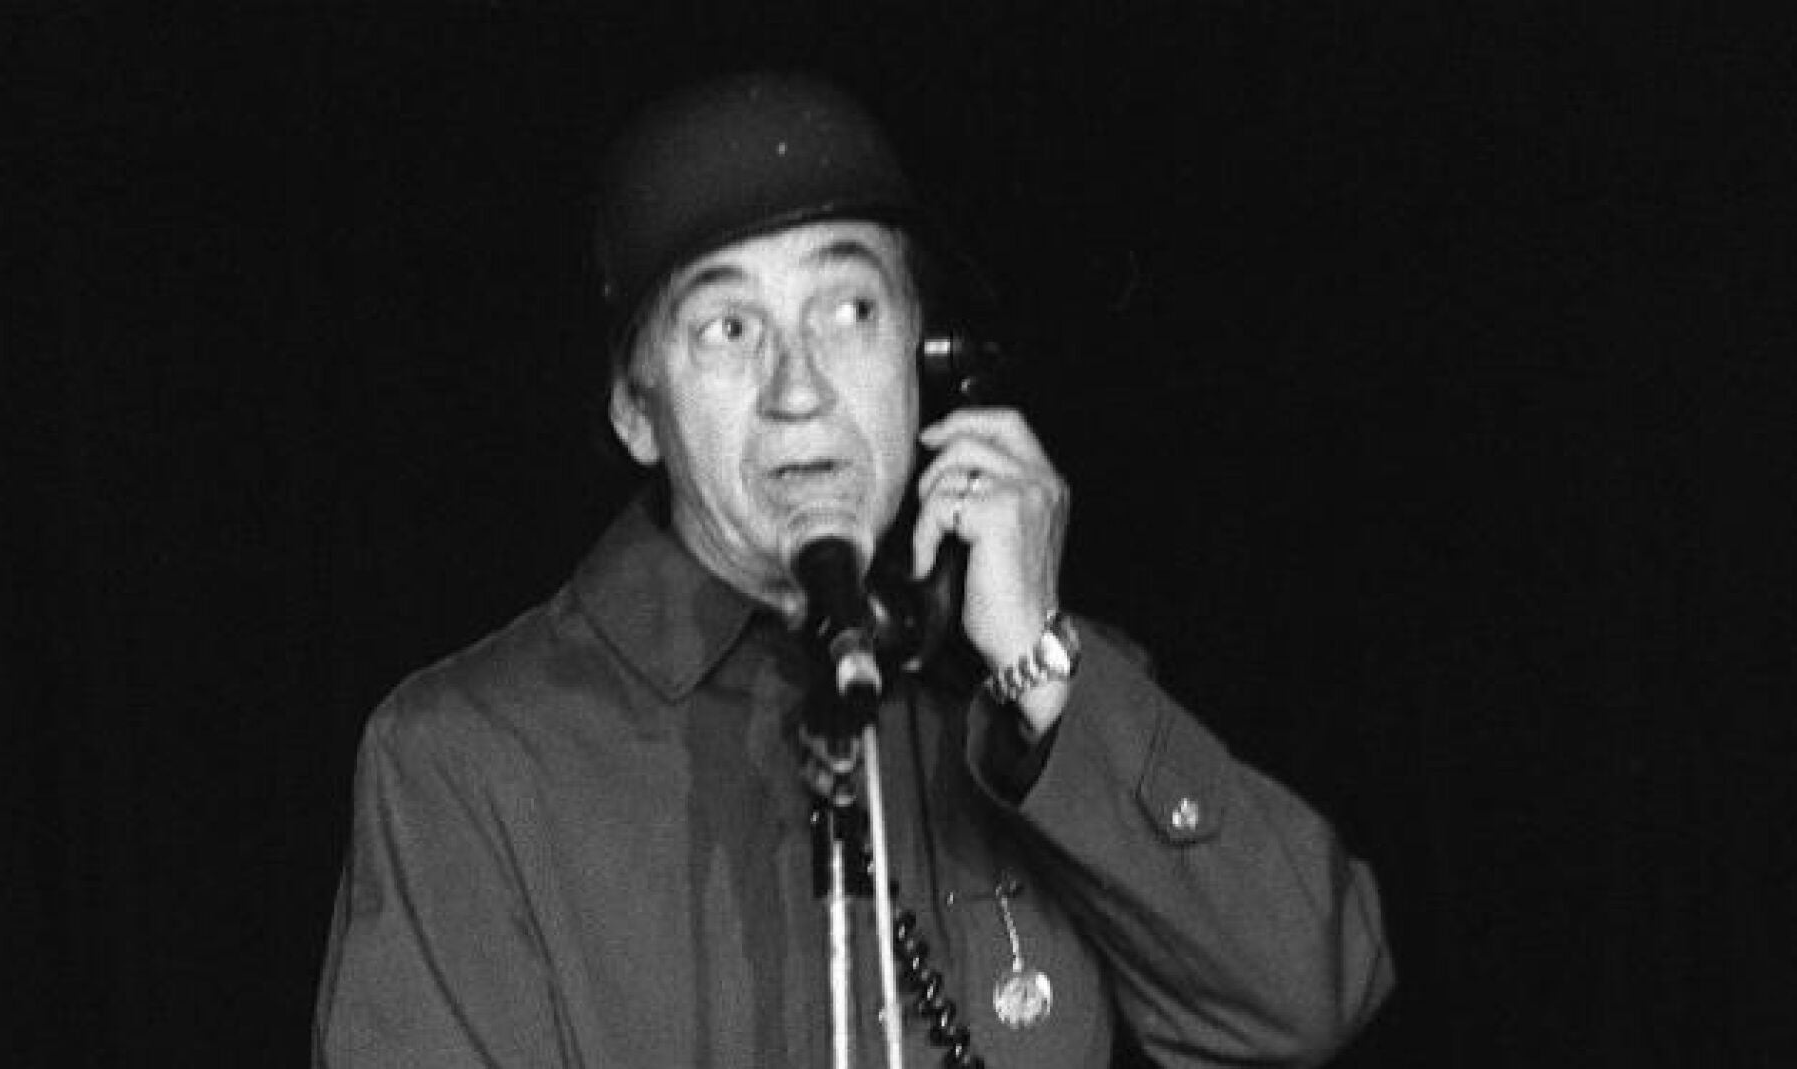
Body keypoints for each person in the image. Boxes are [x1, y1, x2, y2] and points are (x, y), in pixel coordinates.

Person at [312, 70, 1392, 1068]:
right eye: (728, 328)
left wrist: (1039, 667)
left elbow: (1304, 997)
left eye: (850, 312)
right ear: (638, 409)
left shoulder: (1033, 689)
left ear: (929, 359)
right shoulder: (469, 754)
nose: (799, 389)